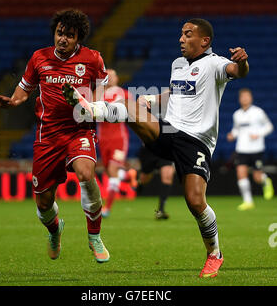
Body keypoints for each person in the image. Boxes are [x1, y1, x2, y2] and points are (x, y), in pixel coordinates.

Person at [62, 18, 249, 278]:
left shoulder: (214, 64)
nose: (181, 39)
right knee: (130, 107)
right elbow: (176, 94)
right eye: (181, 34)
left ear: (204, 40)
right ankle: (90, 108)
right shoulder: (179, 65)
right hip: (169, 130)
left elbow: (238, 72)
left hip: (196, 141)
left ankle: (214, 253)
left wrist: (241, 61)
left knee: (195, 202)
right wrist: (153, 99)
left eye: (187, 34)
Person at [0, 8, 110, 263]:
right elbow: (24, 89)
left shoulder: (93, 59)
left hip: (79, 130)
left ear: (79, 38)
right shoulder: (39, 58)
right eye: (60, 33)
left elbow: (100, 94)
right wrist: (12, 102)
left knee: (86, 174)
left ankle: (94, 236)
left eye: (69, 35)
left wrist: (90, 107)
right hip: (48, 135)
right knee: (44, 204)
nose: (63, 39)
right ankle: (55, 230)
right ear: (54, 33)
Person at [96, 68, 136, 218]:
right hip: (103, 139)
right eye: (107, 76)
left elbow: (131, 112)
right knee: (110, 172)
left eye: (113, 76)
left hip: (119, 138)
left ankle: (107, 207)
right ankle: (127, 175)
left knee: (112, 170)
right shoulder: (97, 95)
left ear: (117, 79)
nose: (110, 78)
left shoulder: (124, 94)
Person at [227, 88, 274, 210]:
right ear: (239, 99)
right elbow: (237, 129)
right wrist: (232, 134)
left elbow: (269, 126)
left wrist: (258, 133)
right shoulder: (236, 115)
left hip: (256, 149)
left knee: (257, 177)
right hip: (242, 149)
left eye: (247, 96)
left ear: (251, 98)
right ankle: (248, 201)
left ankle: (265, 181)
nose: (245, 99)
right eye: (243, 97)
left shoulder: (258, 112)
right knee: (241, 173)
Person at [137, 145, 175, 220]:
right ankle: (139, 185)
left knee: (167, 177)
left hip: (165, 149)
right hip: (149, 149)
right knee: (144, 179)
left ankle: (161, 210)